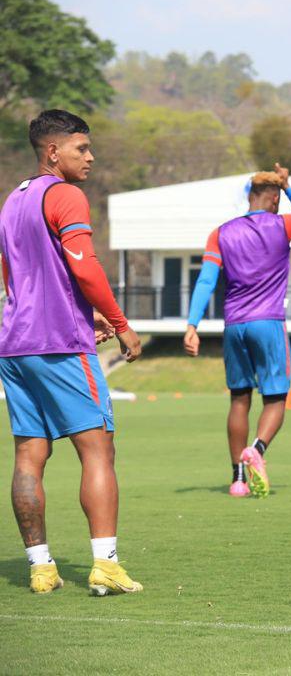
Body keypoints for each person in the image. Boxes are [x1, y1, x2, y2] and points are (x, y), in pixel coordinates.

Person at [0, 109, 144, 595]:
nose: (91, 156)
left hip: (15, 345)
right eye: (81, 148)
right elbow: (84, 268)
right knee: (98, 448)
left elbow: (14, 276)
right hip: (60, 344)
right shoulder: (66, 195)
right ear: (52, 151)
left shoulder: (12, 201)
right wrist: (120, 324)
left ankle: (41, 568)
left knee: (29, 454)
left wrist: (88, 313)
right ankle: (105, 564)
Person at [184, 164, 291, 498]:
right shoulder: (283, 224)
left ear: (250, 197)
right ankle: (257, 449)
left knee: (239, 399)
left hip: (234, 326)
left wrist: (192, 324)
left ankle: (238, 480)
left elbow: (206, 280)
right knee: (275, 398)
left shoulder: (220, 232)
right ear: (274, 198)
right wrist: (290, 188)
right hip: (268, 322)